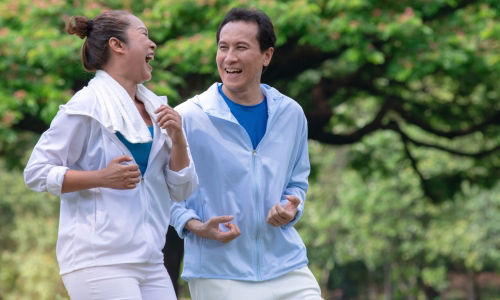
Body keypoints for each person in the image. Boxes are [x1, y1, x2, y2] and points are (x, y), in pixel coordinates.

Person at [24, 10, 197, 300]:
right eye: (144, 35)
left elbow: (181, 190)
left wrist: (178, 139)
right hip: (98, 260)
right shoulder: (87, 104)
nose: (153, 44)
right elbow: (36, 172)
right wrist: (101, 178)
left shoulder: (157, 110)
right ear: (118, 45)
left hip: (151, 259)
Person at [170, 7, 323, 300]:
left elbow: (297, 182)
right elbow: (162, 193)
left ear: (267, 55)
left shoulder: (290, 114)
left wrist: (292, 207)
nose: (229, 58)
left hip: (287, 266)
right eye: (223, 47)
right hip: (219, 273)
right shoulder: (188, 117)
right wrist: (197, 226)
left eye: (241, 47)